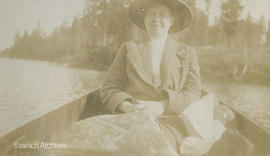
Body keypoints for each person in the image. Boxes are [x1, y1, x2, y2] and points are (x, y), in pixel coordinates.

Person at [100, 0, 249, 155]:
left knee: (154, 147)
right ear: (144, 19)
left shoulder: (187, 53)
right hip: (130, 119)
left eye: (162, 15)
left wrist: (160, 107)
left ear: (172, 20)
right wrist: (129, 107)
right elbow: (109, 88)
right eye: (151, 14)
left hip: (171, 122)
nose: (155, 19)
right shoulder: (128, 48)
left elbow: (192, 94)